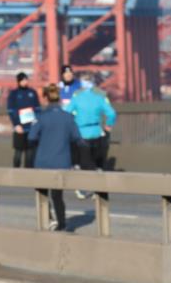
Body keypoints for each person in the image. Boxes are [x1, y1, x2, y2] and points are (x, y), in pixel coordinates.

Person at [29, 84, 83, 231]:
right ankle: (62, 224)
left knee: (42, 194)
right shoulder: (68, 118)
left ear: (45, 98)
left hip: (43, 162)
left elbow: (31, 137)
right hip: (62, 162)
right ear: (59, 98)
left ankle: (49, 219)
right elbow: (77, 138)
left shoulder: (41, 117)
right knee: (58, 196)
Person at [66, 72, 117, 198]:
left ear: (82, 83)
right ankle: (97, 189)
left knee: (84, 164)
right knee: (97, 162)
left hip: (82, 133)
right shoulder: (99, 97)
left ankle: (83, 189)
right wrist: (108, 126)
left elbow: (66, 112)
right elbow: (111, 113)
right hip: (97, 132)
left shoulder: (77, 97)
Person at [7, 71, 41, 168]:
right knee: (18, 153)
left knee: (30, 154)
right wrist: (16, 125)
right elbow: (11, 111)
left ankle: (28, 174)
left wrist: (36, 122)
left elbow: (38, 109)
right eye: (22, 80)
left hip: (31, 128)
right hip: (19, 129)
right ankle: (15, 172)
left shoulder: (32, 93)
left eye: (26, 80)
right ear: (18, 81)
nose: (25, 82)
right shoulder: (13, 94)